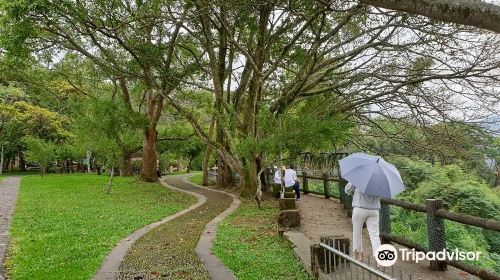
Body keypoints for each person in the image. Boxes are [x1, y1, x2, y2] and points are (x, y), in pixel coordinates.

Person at [345, 182, 381, 266]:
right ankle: (379, 261)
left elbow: (347, 190)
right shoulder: (378, 180)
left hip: (359, 208)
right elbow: (379, 197)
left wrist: (353, 181)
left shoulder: (358, 177)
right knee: (375, 236)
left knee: (357, 233)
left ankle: (358, 255)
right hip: (374, 210)